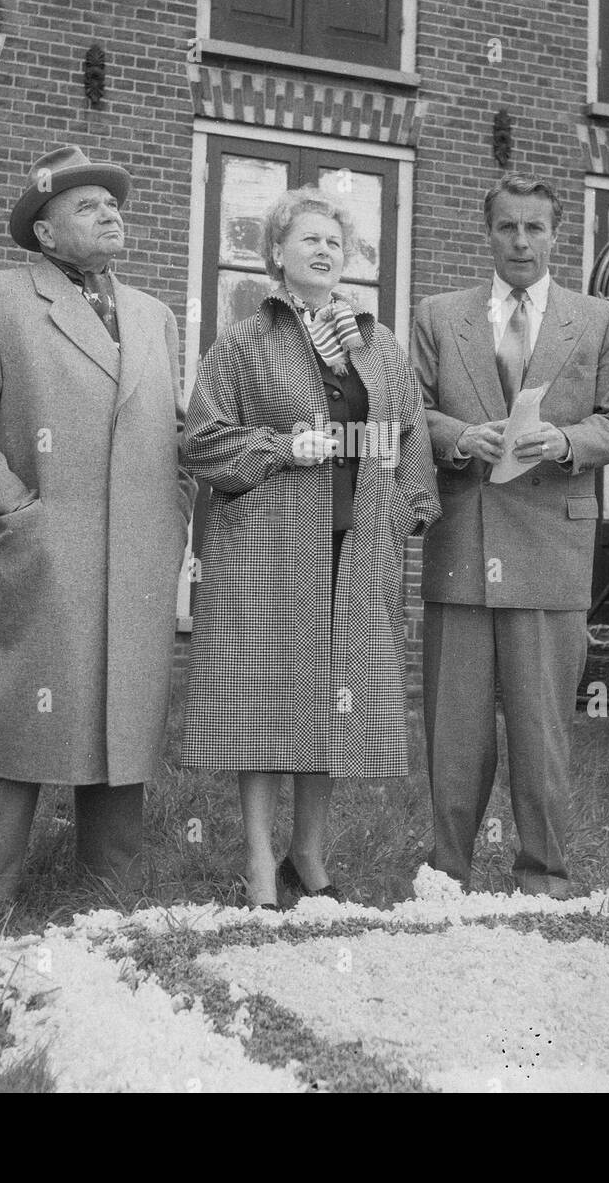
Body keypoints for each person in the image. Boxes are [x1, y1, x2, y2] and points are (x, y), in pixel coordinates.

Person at [0, 145, 195, 907]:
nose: (110, 214)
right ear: (43, 233)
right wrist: (9, 510)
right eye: (86, 206)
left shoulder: (153, 315)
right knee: (16, 707)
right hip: (43, 547)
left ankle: (109, 892)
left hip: (138, 555)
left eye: (113, 203)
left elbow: (176, 429)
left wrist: (174, 512)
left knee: (124, 714)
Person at [181, 187, 440, 909]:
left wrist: (403, 515)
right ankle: (260, 862)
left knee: (332, 701)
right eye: (307, 240)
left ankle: (309, 856)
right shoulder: (243, 342)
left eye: (334, 241)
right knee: (263, 703)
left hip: (352, 549)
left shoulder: (377, 346)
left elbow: (411, 433)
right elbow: (200, 442)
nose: (323, 251)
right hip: (265, 548)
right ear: (276, 256)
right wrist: (282, 446)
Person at [410, 174, 609, 895]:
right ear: (486, 234)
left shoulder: (598, 320)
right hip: (462, 542)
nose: (520, 242)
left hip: (552, 542)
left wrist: (566, 440)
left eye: (534, 229)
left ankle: (543, 874)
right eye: (507, 228)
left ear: (554, 235)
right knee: (454, 727)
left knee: (541, 725)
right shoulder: (437, 315)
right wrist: (458, 436)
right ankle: (447, 873)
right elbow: (407, 412)